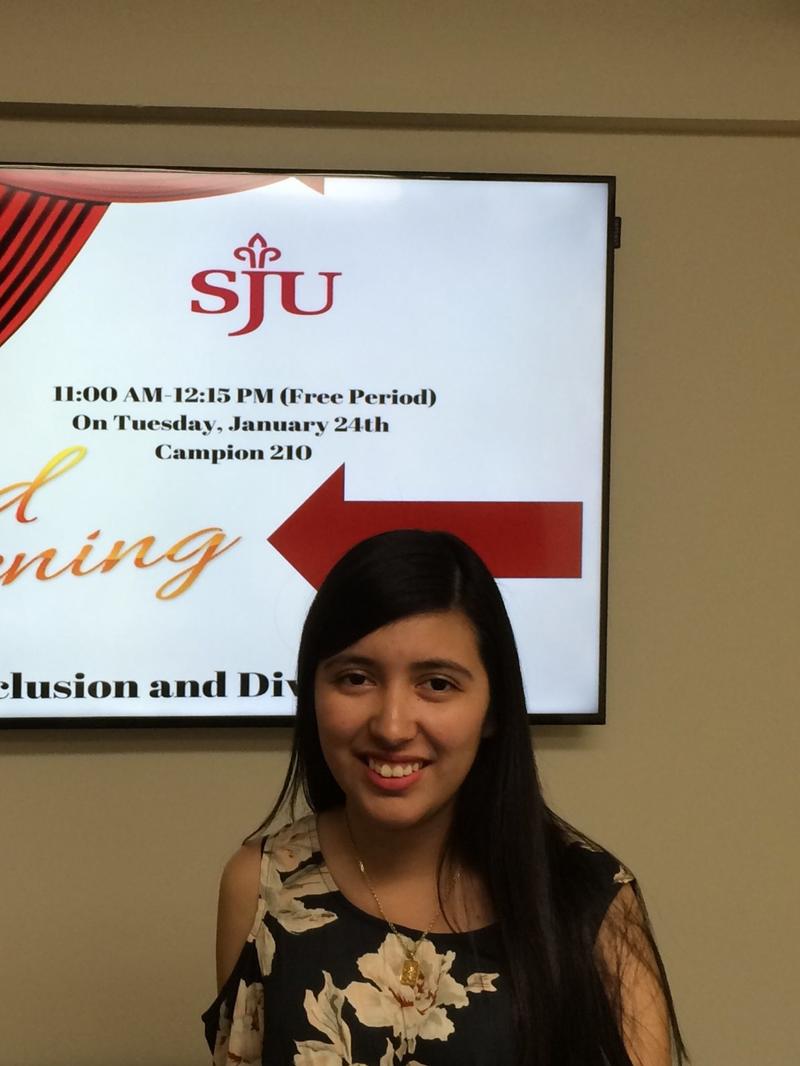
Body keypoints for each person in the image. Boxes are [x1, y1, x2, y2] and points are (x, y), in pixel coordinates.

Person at [203, 530, 688, 1066]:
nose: (392, 726)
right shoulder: (261, 886)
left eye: (436, 684)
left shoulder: (589, 900)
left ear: (493, 710)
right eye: (356, 678)